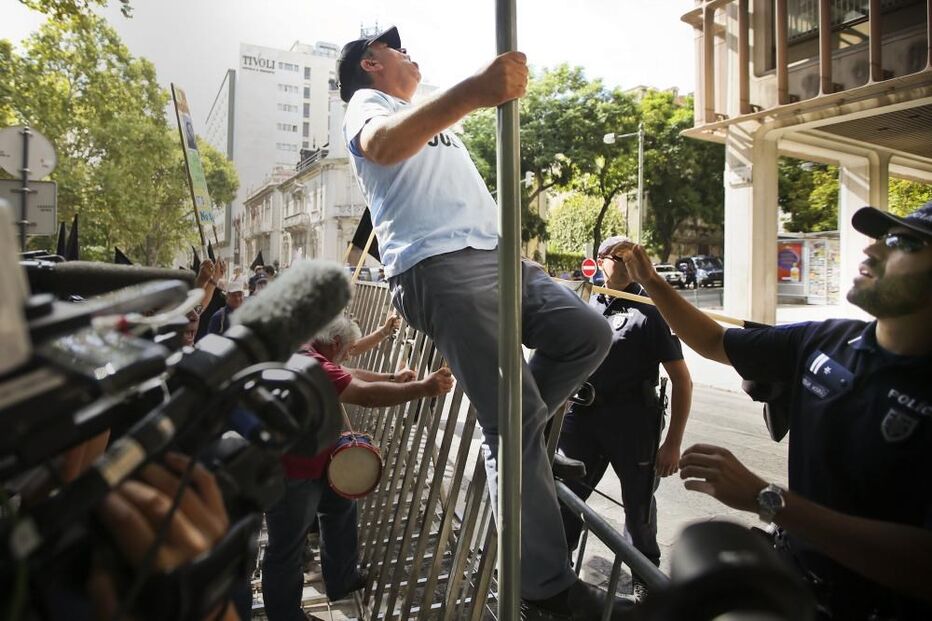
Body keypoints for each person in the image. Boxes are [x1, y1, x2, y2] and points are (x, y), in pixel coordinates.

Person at [338, 26, 621, 618]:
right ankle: (545, 589)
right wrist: (475, 90)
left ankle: (522, 454)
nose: (409, 53)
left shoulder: (430, 118)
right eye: (396, 48)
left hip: (497, 255)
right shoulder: (368, 105)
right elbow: (384, 148)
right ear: (371, 63)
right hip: (437, 264)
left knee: (588, 333)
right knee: (511, 419)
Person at [619, 201, 932, 620]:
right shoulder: (824, 340)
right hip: (794, 588)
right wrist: (652, 281)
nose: (872, 250)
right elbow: (714, 342)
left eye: (903, 243)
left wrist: (766, 499)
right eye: (879, 238)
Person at [262, 314, 454, 621]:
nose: (350, 352)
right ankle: (285, 615)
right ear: (335, 342)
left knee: (340, 509)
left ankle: (342, 577)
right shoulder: (310, 364)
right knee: (286, 548)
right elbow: (365, 396)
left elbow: (347, 371)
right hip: (291, 470)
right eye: (349, 347)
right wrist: (423, 388)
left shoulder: (309, 348)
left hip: (315, 457)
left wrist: (392, 378)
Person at [558, 236, 693, 603]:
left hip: (632, 423)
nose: (615, 263)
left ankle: (645, 581)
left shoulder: (650, 311)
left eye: (624, 258)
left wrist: (673, 444)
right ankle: (557, 574)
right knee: (567, 498)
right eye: (611, 257)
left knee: (638, 508)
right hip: (583, 419)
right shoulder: (587, 302)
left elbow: (682, 380)